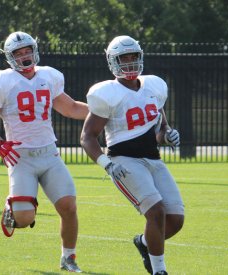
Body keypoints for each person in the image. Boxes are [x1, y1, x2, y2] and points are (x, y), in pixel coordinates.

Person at [0, 31, 88, 273]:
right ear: (10, 57)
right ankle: (12, 207)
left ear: (35, 50)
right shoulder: (3, 81)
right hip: (21, 157)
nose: (25, 56)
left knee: (68, 206)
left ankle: (68, 258)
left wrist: (102, 113)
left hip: (49, 154)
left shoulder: (49, 76)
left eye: (27, 50)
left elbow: (70, 108)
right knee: (24, 219)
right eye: (18, 53)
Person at [80, 35, 185, 275]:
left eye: (133, 57)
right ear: (112, 62)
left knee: (175, 220)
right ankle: (159, 271)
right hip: (124, 161)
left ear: (140, 57)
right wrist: (106, 164)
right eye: (123, 58)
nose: (129, 63)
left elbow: (160, 128)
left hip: (153, 159)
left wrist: (168, 134)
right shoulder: (107, 93)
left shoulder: (154, 86)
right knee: (156, 212)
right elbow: (87, 137)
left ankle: (145, 243)